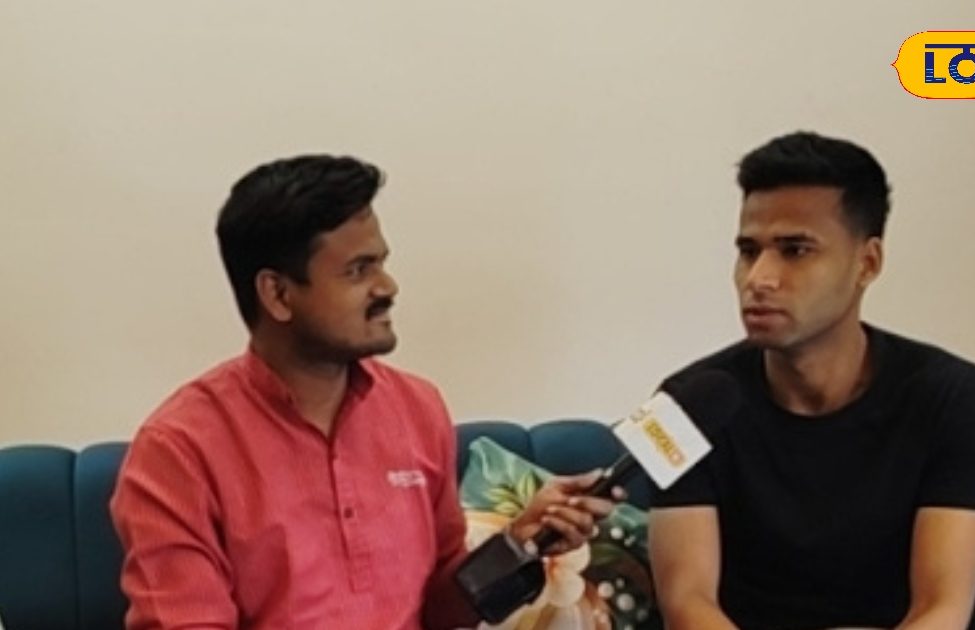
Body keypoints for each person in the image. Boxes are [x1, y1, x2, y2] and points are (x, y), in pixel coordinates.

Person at [110, 155, 617, 630]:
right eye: (358, 270)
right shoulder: (178, 452)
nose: (387, 286)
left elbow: (441, 609)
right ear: (278, 294)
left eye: (381, 263)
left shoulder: (417, 409)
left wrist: (518, 545)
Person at [648, 131, 975, 630]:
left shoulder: (953, 397)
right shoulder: (680, 406)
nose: (759, 278)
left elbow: (941, 610)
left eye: (795, 250)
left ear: (867, 262)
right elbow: (687, 605)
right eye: (748, 251)